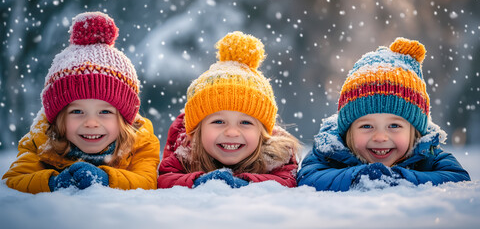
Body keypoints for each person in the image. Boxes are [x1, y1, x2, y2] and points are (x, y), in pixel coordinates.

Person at [2, 12, 160, 194]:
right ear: (58, 117)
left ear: (124, 118)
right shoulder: (42, 140)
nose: (91, 122)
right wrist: (52, 183)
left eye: (105, 112)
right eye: (77, 112)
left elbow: (147, 181)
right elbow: (13, 181)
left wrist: (107, 178)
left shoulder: (139, 142)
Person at [297, 37, 470, 191]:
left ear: (414, 129)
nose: (380, 137)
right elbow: (308, 178)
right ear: (348, 130)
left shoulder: (426, 153)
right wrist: (358, 175)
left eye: (394, 125)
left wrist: (400, 178)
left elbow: (457, 177)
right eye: (366, 126)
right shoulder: (331, 150)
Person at [157, 31, 300, 189]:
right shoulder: (185, 152)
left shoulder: (276, 157)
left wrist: (245, 182)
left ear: (263, 132)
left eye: (245, 122)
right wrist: (201, 181)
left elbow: (286, 181)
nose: (232, 132)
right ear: (197, 130)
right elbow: (166, 179)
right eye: (218, 121)